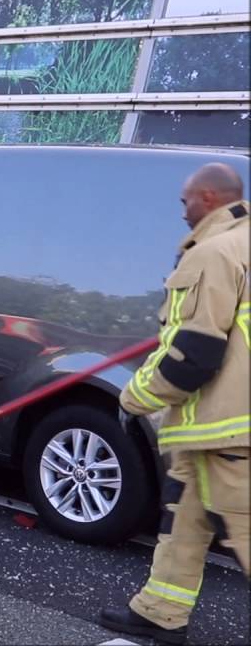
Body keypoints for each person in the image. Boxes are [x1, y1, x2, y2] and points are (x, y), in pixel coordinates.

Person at [98, 163, 249, 645]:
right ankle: (161, 612)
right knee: (184, 515)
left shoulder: (212, 253)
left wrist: (134, 397)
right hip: (216, 428)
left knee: (244, 531)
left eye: (184, 202)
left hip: (227, 427)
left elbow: (192, 355)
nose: (182, 212)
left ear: (207, 198)